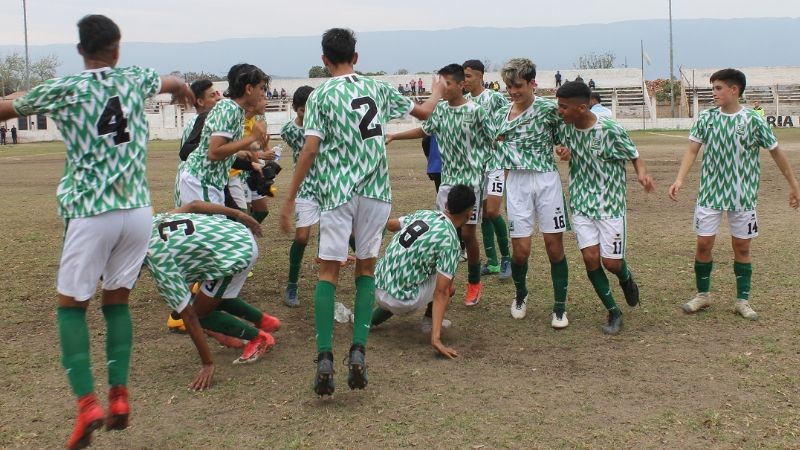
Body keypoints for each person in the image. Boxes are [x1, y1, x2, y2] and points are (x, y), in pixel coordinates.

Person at [0, 14, 194, 450]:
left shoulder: (66, 88)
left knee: (71, 308)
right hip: (138, 211)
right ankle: (119, 397)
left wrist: (19, 99)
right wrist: (181, 88)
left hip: (91, 210)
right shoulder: (135, 79)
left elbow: (8, 109)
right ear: (117, 47)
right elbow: (171, 80)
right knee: (116, 300)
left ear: (80, 50)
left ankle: (88, 404)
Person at [279, 28, 443, 397]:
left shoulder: (320, 95)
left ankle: (324, 356)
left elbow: (309, 149)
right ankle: (358, 351)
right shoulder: (378, 87)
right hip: (376, 192)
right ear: (356, 56)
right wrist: (436, 90)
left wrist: (290, 199)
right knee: (367, 267)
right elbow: (426, 112)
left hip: (338, 193)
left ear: (323, 61)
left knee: (328, 271)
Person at [669, 68, 800, 320]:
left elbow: (776, 152)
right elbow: (692, 151)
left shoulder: (753, 120)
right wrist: (679, 179)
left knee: (741, 247)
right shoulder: (706, 119)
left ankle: (742, 300)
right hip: (710, 194)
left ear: (734, 90)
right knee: (704, 243)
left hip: (743, 196)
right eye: (713, 88)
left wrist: (794, 184)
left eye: (718, 88)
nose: (714, 93)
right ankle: (703, 295)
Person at [388, 63, 494, 307]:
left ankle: (474, 283)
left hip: (472, 184)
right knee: (444, 235)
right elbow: (424, 130)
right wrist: (395, 135)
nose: (441, 88)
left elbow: (494, 138)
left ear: (460, 84)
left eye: (446, 83)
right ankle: (444, 283)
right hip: (447, 182)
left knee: (467, 234)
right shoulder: (440, 111)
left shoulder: (477, 111)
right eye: (440, 83)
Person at [145, 201, 279, 390]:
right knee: (209, 298)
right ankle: (265, 321)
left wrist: (208, 364)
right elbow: (193, 206)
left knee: (200, 314)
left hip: (233, 253)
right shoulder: (152, 222)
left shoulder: (156, 260)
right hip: (235, 232)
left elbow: (189, 315)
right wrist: (238, 214)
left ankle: (258, 338)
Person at [555, 81, 654, 334]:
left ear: (583, 107)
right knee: (590, 259)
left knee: (611, 262)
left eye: (564, 107)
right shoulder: (564, 128)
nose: (560, 111)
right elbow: (563, 149)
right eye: (559, 105)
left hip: (610, 204)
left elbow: (634, 154)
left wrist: (642, 174)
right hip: (580, 202)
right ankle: (613, 311)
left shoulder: (609, 130)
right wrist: (564, 153)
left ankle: (626, 277)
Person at [494, 58, 570, 328]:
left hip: (546, 181)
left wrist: (564, 150)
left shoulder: (549, 110)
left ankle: (559, 307)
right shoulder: (500, 113)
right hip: (516, 183)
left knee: (554, 248)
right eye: (509, 86)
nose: (513, 91)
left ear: (532, 83)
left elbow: (566, 140)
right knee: (520, 252)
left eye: (518, 86)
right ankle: (520, 295)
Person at [371, 185, 476, 357]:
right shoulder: (450, 241)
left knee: (412, 271)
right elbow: (442, 293)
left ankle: (369, 320)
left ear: (446, 203)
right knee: (448, 285)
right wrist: (436, 340)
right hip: (401, 300)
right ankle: (429, 325)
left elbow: (391, 225)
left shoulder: (425, 214)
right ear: (469, 213)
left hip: (377, 284)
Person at [179, 64, 268, 206]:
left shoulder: (237, 111)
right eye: (261, 88)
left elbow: (224, 149)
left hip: (212, 183)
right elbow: (214, 152)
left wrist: (248, 152)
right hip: (201, 182)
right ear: (249, 89)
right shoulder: (228, 109)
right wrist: (251, 138)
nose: (263, 94)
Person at [463, 59, 512, 280]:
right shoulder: (463, 102)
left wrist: (503, 144)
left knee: (493, 212)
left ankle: (506, 260)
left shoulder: (494, 98)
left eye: (469, 76)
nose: (465, 80)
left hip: (494, 163)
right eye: (463, 76)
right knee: (483, 215)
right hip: (474, 166)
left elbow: (510, 123)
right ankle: (492, 262)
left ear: (481, 76)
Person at [282, 85, 317, 307]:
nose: (309, 113)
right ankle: (291, 285)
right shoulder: (290, 131)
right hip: (305, 186)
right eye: (304, 109)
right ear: (296, 109)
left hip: (330, 185)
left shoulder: (325, 125)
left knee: (347, 234)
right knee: (302, 237)